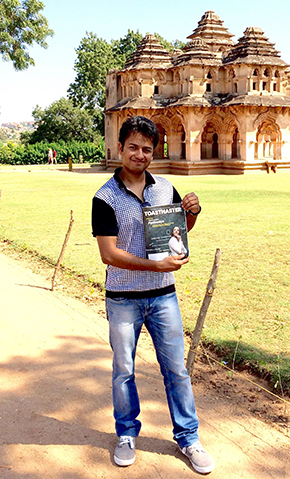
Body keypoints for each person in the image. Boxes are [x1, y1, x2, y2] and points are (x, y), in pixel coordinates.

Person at [91, 116, 214, 474]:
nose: (140, 154)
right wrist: (155, 267)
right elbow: (109, 254)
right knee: (124, 370)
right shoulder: (105, 197)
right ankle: (127, 434)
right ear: (120, 148)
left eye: (147, 148)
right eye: (133, 147)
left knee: (176, 369)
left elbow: (177, 233)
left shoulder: (165, 189)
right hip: (123, 297)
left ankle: (188, 437)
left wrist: (191, 213)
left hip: (163, 297)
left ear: (153, 152)